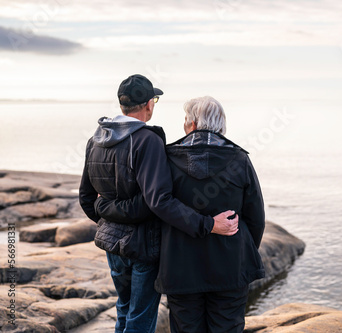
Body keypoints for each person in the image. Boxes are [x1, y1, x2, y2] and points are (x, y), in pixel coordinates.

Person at [79, 76, 239, 333]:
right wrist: (207, 224)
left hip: (112, 245)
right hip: (143, 247)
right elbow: (157, 201)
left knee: (124, 308)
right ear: (148, 105)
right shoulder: (147, 140)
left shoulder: (95, 140)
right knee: (140, 318)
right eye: (154, 99)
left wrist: (105, 216)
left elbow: (86, 198)